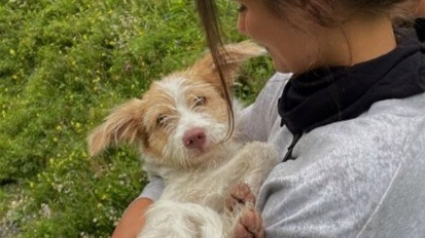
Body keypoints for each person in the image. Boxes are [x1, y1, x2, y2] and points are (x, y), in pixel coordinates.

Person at [112, 0, 425, 237]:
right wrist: (149, 206)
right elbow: (218, 145)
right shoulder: (298, 81)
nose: (242, 26)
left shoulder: (342, 181)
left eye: (244, 7)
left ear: (308, 4)